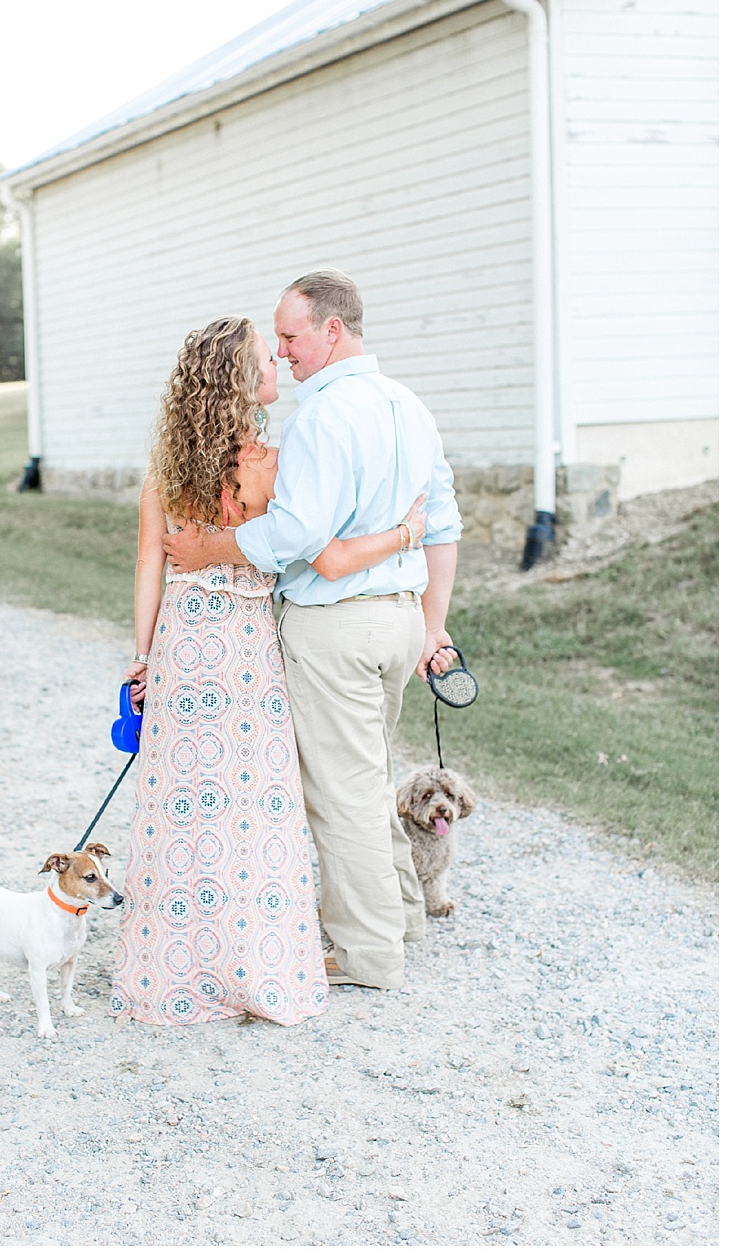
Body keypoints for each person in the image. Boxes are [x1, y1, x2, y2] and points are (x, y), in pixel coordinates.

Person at [112, 315, 427, 1027]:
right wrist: (407, 531)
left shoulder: (164, 472)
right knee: (254, 810)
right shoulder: (272, 463)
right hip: (249, 646)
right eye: (265, 359)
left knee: (180, 806)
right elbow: (317, 553)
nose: (277, 366)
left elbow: (147, 567)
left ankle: (178, 967)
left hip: (185, 643)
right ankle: (254, 962)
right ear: (239, 382)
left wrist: (143, 658)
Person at [162, 271, 461, 991]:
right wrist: (433, 627)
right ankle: (401, 919)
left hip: (336, 627)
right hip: (398, 624)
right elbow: (443, 523)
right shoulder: (409, 405)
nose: (285, 352)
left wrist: (214, 550)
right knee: (369, 774)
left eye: (291, 336)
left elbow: (297, 534)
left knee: (344, 794)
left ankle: (365, 954)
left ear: (334, 330)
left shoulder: (322, 418)